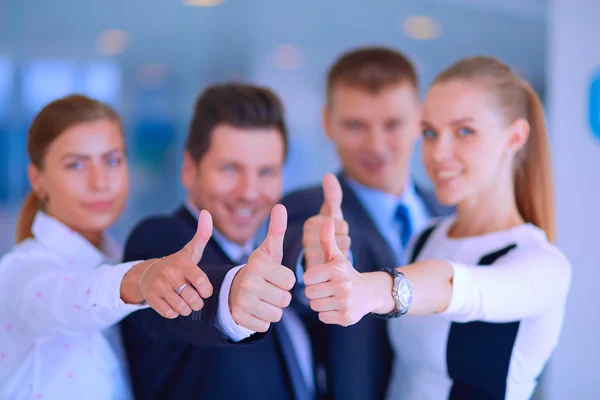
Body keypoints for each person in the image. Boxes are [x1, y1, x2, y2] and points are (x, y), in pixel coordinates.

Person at [301, 56, 572, 400]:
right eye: (430, 132)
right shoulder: (425, 237)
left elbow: (459, 286)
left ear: (515, 137)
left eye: (464, 132)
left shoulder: (543, 264)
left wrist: (371, 289)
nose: (438, 153)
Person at [0, 95, 215, 400]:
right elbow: (63, 299)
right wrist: (140, 277)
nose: (100, 182)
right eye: (75, 164)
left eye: (112, 160)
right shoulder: (20, 271)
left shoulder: (116, 260)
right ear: (38, 179)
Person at [120, 83, 315, 400]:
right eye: (229, 168)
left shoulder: (272, 256)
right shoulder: (160, 240)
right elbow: (186, 295)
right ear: (189, 170)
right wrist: (231, 294)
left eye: (266, 172)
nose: (249, 192)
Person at [281, 46, 452, 399]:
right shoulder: (307, 210)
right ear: (327, 123)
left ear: (420, 120)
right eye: (356, 125)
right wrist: (313, 265)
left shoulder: (448, 213)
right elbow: (296, 270)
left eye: (392, 124)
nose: (376, 145)